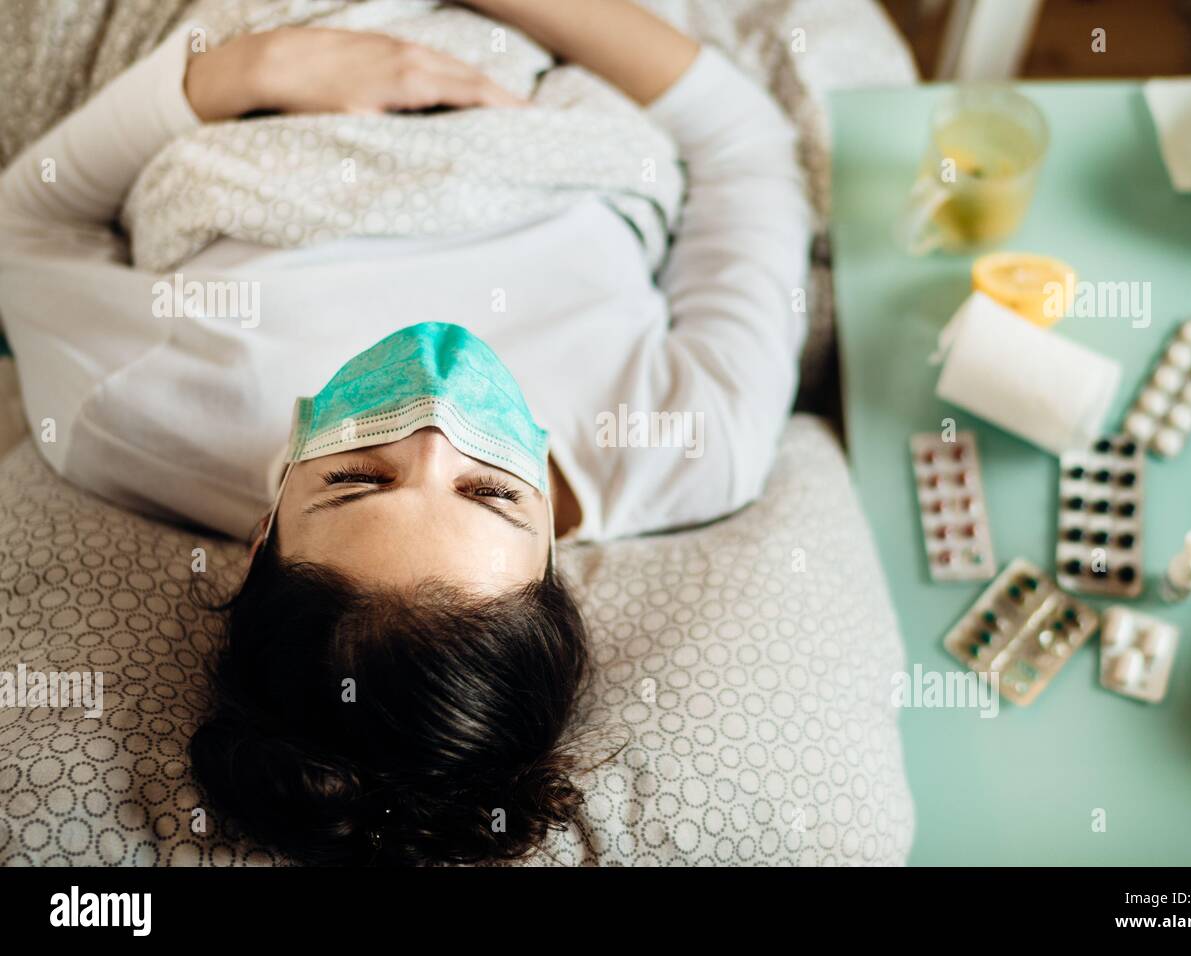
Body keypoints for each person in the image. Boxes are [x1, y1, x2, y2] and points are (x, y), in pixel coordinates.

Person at [0, 0, 811, 864]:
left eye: (356, 480)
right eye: (490, 489)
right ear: (556, 563)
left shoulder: (132, 418)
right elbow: (746, 149)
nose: (434, 430)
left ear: (263, 531)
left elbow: (28, 226)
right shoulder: (692, 439)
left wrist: (251, 69)